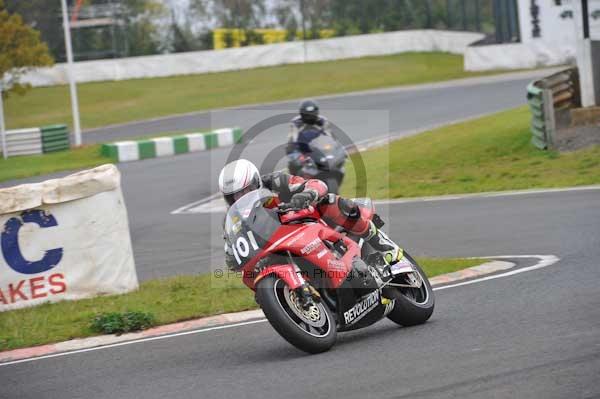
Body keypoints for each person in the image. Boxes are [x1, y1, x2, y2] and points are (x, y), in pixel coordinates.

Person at [218, 159, 402, 271]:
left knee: (328, 201)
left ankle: (383, 244)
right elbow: (231, 250)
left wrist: (306, 194)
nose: (241, 197)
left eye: (246, 190)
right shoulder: (233, 219)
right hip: (277, 246)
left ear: (256, 181)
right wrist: (233, 259)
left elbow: (316, 184)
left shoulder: (275, 182)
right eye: (234, 196)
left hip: (306, 223)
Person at [286, 99, 333, 174]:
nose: (310, 116)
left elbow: (330, 136)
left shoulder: (323, 121)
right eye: (308, 114)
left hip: (318, 148)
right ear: (302, 113)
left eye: (312, 114)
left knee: (333, 160)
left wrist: (336, 149)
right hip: (299, 149)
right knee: (296, 163)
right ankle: (295, 180)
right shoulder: (296, 123)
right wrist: (299, 154)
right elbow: (293, 140)